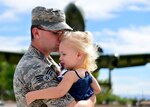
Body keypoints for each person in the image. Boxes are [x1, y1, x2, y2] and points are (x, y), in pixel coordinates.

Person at [13, 6, 96, 107]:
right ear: (36, 33)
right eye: (56, 33)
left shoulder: (47, 60)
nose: (62, 37)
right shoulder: (34, 66)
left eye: (63, 32)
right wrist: (92, 99)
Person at [25, 31, 101, 106]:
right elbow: (97, 90)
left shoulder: (71, 75)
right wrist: (88, 99)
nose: (60, 58)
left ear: (79, 55)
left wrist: (33, 95)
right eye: (60, 54)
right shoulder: (87, 74)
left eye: (64, 54)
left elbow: (58, 92)